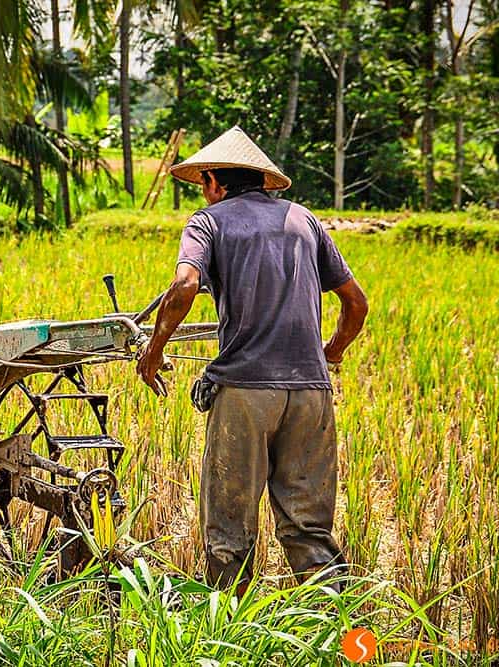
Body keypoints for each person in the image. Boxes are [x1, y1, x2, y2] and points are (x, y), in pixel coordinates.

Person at [136, 125, 369, 593]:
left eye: (204, 185)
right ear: (261, 180)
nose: (204, 194)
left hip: (245, 391)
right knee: (310, 529)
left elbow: (183, 286)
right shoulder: (305, 220)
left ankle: (231, 636)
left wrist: (154, 349)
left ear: (214, 183)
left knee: (229, 529)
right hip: (311, 393)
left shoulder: (209, 222)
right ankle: (338, 639)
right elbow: (356, 303)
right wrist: (332, 351)